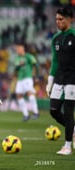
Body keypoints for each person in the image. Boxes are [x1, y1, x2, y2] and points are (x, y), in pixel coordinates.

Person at [46, 6, 75, 155]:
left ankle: (68, 146)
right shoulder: (56, 38)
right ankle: (74, 129)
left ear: (70, 19)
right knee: (54, 110)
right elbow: (55, 60)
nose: (58, 22)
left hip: (72, 79)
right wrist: (50, 80)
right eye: (56, 19)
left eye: (61, 19)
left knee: (69, 112)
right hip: (59, 78)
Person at [13, 41, 39, 121]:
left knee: (29, 93)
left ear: (22, 48)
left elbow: (35, 65)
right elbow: (16, 68)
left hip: (28, 77)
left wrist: (36, 76)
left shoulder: (28, 56)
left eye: (18, 48)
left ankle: (36, 112)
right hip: (20, 79)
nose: (17, 50)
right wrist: (16, 72)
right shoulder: (17, 58)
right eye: (17, 49)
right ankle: (26, 114)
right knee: (19, 95)